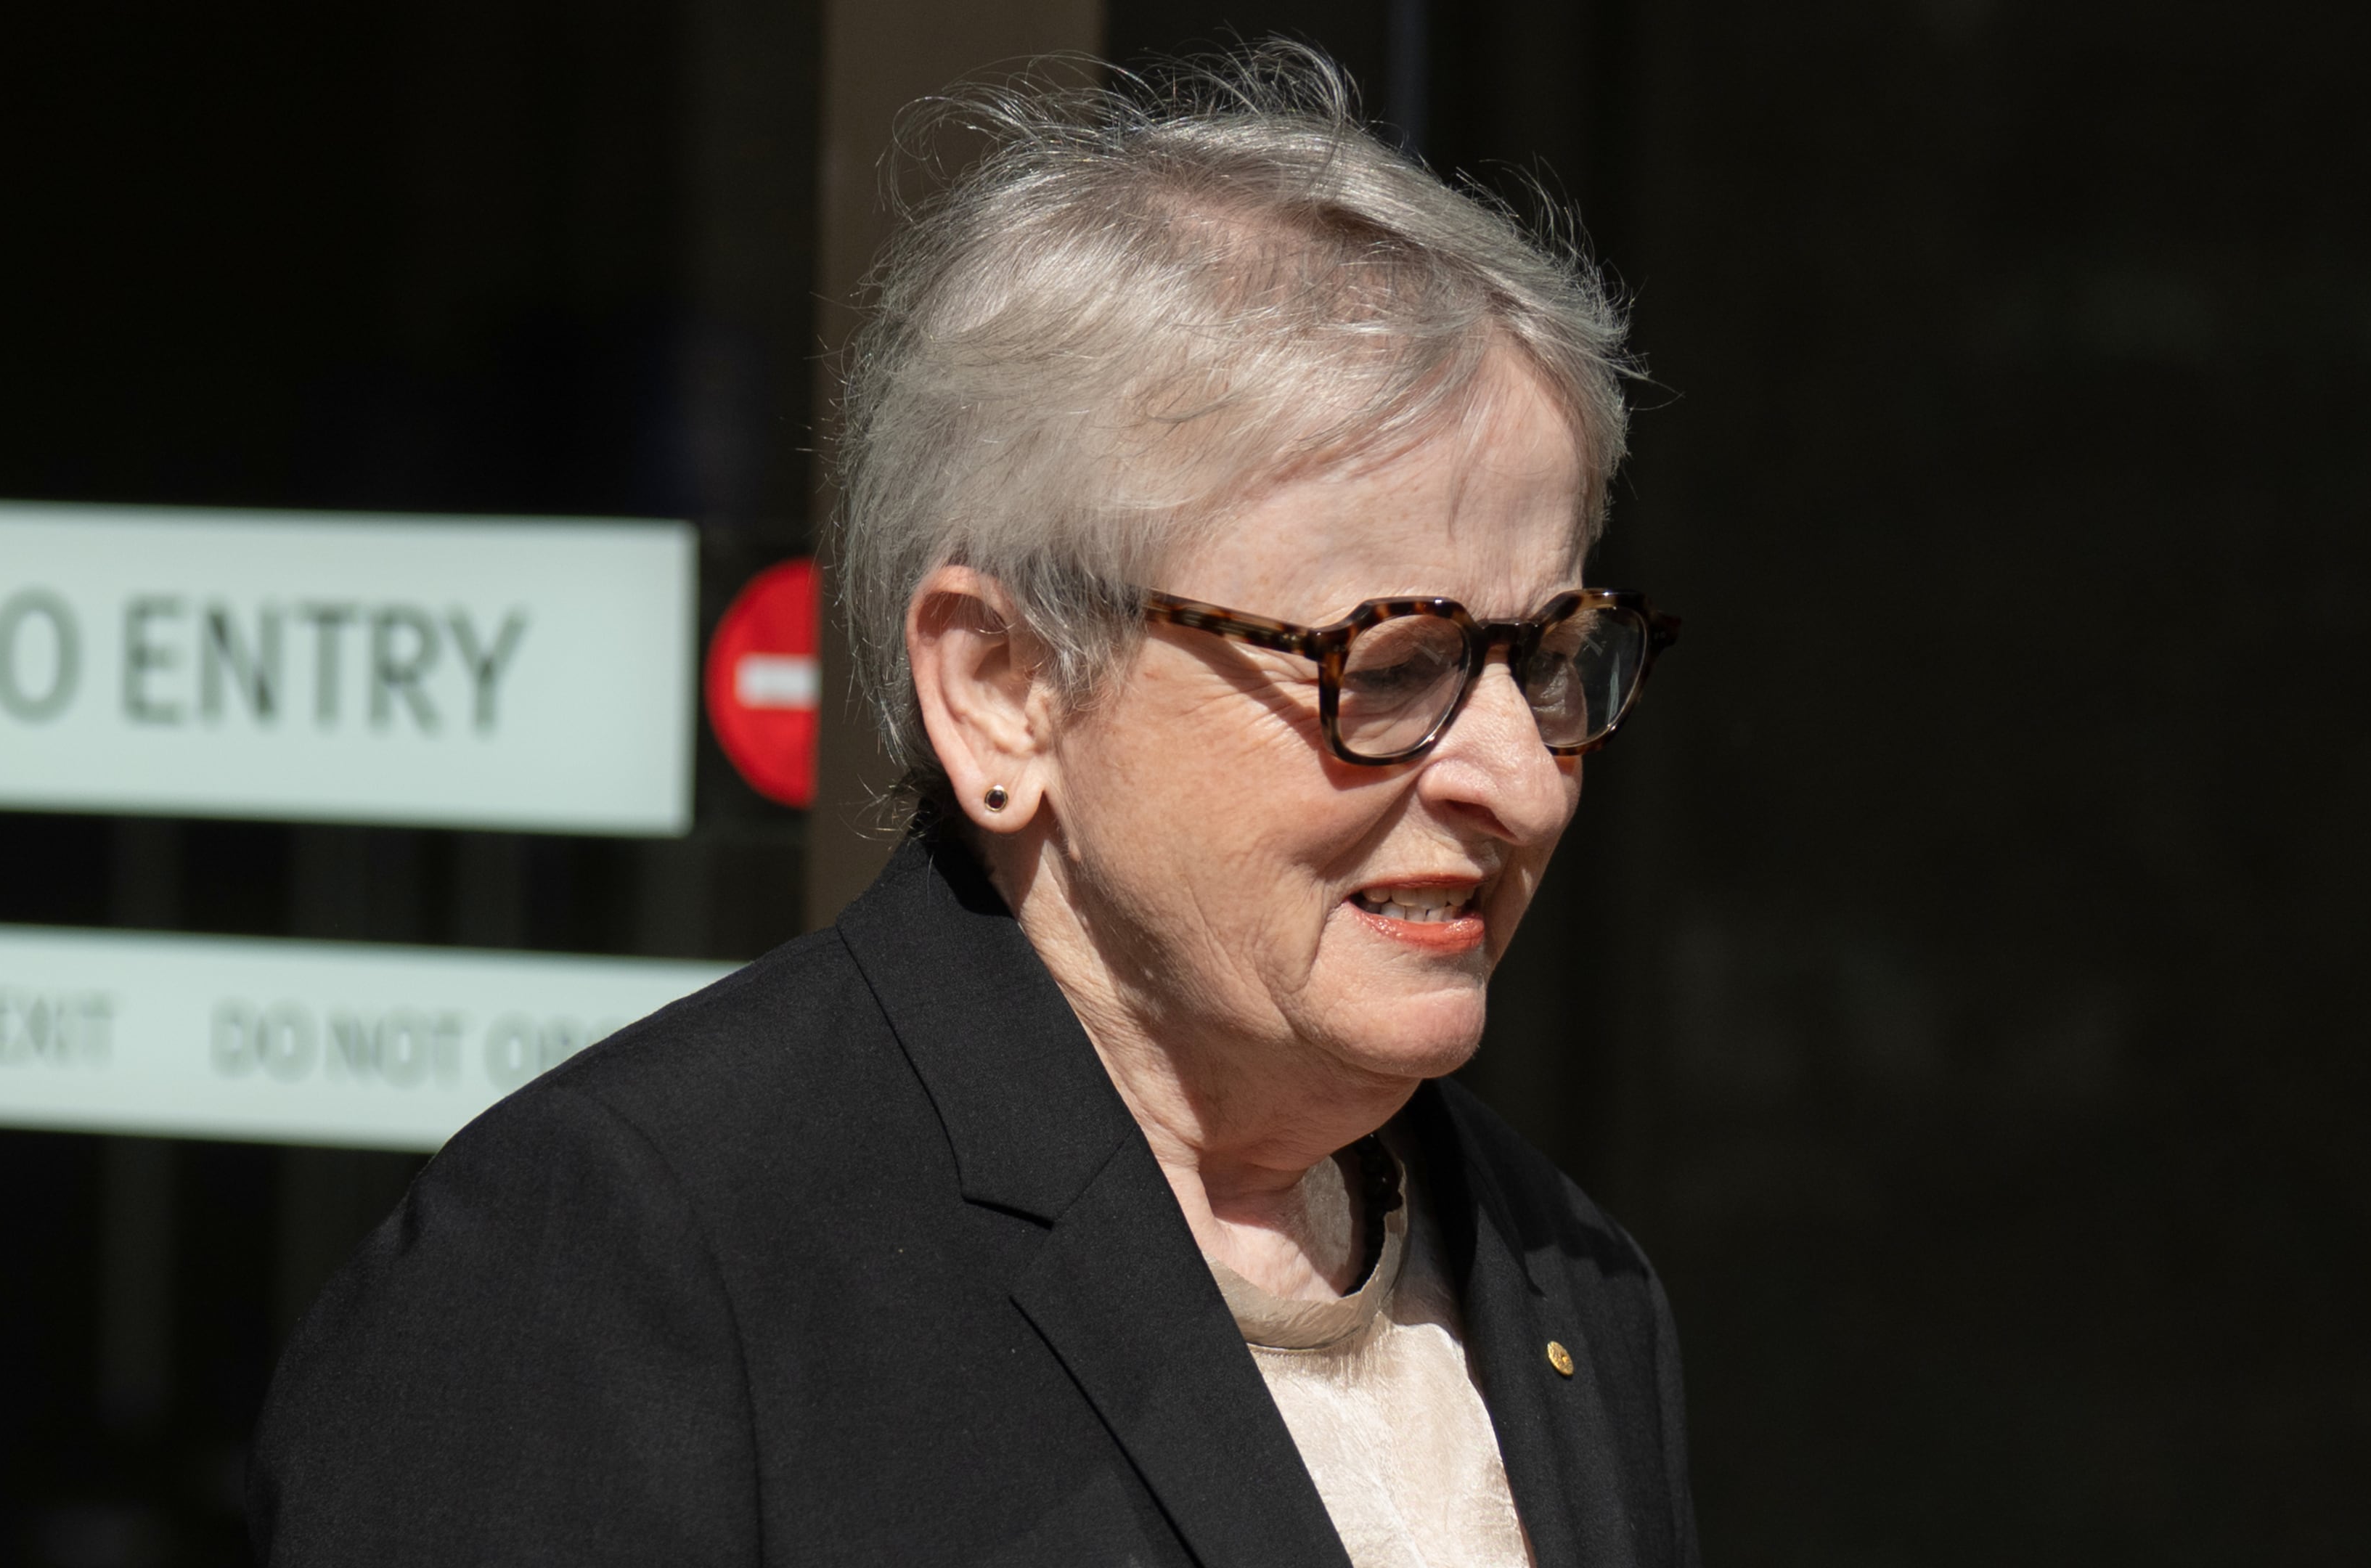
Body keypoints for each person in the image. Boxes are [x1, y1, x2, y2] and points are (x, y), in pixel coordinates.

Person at [253, 45, 1692, 1568]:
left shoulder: (1562, 1279)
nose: (1520, 779)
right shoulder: (630, 1266)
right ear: (1004, 688)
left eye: (1547, 659)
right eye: (1388, 666)